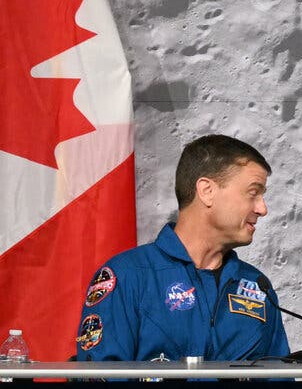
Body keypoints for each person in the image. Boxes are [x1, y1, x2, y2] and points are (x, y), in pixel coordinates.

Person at [74, 134, 290, 361]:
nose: (262, 209)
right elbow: (100, 388)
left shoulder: (258, 287)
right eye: (253, 193)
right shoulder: (127, 276)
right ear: (207, 191)